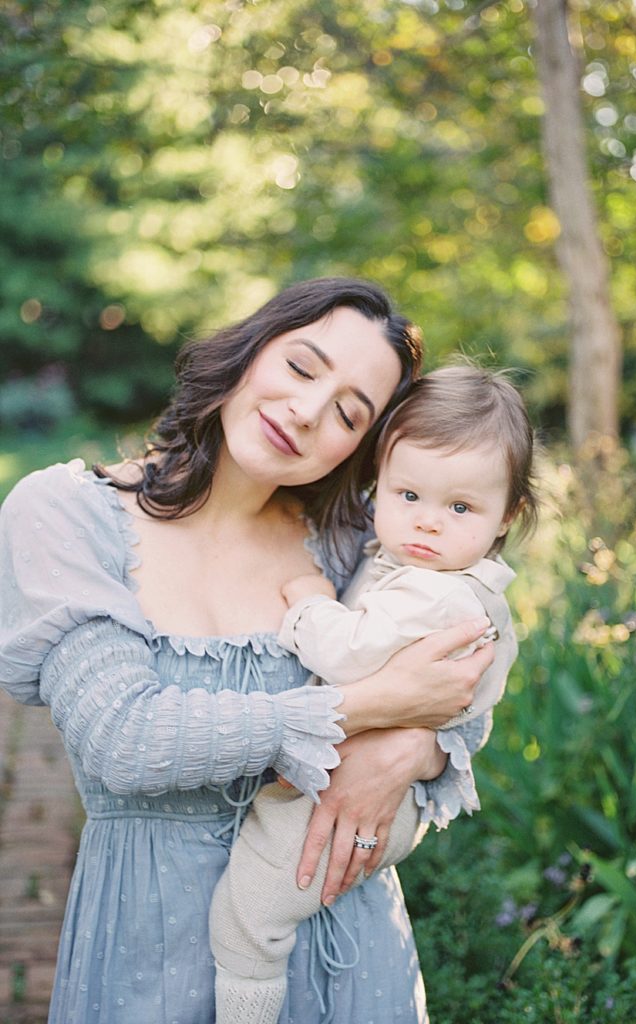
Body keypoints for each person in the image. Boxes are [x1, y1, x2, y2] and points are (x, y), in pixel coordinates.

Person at [0, 277, 497, 1024]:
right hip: (147, 947)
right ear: (250, 347)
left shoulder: (354, 545)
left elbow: (461, 687)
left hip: (343, 943)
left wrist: (409, 752)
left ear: (362, 448)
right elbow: (122, 740)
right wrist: (365, 709)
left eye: (347, 414)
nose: (304, 412)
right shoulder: (68, 514)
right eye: (301, 368)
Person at [209, 365, 537, 1024]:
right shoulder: (441, 573)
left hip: (349, 794)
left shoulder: (435, 591)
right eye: (407, 494)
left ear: (508, 517)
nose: (427, 524)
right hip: (373, 781)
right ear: (377, 483)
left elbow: (348, 653)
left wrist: (306, 602)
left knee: (246, 920)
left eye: (460, 507)